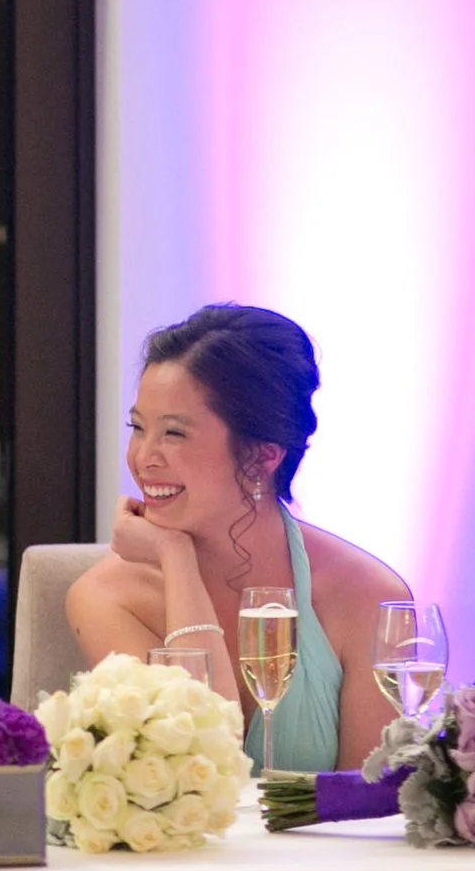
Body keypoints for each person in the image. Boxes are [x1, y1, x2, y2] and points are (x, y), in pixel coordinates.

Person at [66, 303, 408, 771]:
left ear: (263, 455)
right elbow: (207, 761)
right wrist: (175, 557)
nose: (143, 457)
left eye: (174, 433)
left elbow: (370, 808)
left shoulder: (369, 597)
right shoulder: (105, 597)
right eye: (137, 428)